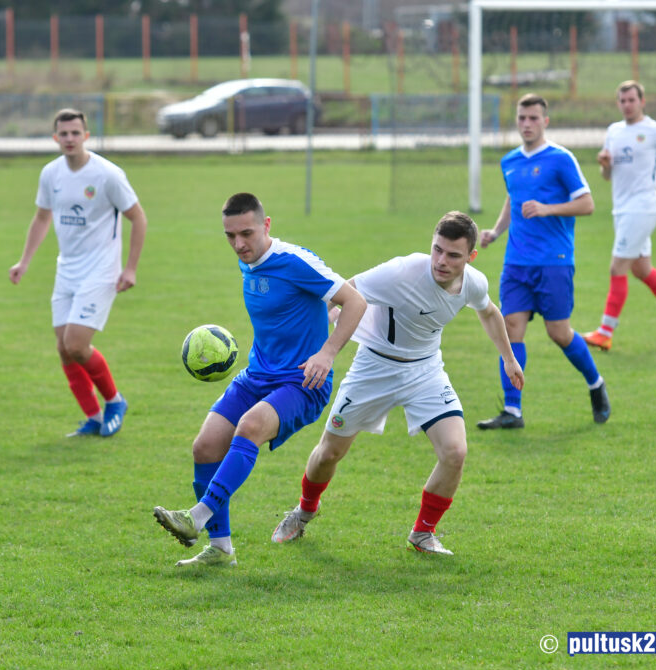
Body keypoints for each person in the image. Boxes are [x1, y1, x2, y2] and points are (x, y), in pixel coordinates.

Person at [271, 211, 524, 555]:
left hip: (426, 371)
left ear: (471, 257)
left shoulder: (473, 283)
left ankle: (423, 533)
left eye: (453, 255)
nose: (441, 261)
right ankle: (304, 510)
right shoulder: (402, 271)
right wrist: (322, 342)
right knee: (330, 452)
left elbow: (490, 312)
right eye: (437, 250)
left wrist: (509, 358)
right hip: (373, 367)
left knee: (455, 452)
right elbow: (344, 293)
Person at [152, 192, 367, 567]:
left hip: (302, 382)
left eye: (246, 233)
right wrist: (321, 314)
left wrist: (327, 352)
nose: (239, 244)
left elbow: (355, 301)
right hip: (257, 375)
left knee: (250, 426)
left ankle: (196, 518)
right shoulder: (247, 261)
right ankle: (221, 549)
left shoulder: (294, 261)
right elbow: (302, 303)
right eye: (230, 236)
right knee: (205, 447)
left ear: (266, 225)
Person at [9, 109, 147, 438]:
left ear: (86, 136)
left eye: (75, 133)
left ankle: (115, 401)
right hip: (67, 269)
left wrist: (130, 268)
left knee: (76, 343)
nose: (69, 139)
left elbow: (138, 218)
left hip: (101, 270)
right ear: (55, 138)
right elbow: (42, 218)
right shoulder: (51, 174)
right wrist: (24, 261)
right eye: (64, 134)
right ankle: (94, 418)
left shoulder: (108, 175)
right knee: (63, 348)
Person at [476, 93, 610, 430]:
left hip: (554, 261)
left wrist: (548, 209)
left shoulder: (561, 159)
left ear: (545, 122)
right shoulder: (509, 161)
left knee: (559, 333)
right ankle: (512, 410)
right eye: (522, 118)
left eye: (533, 118)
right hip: (516, 262)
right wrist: (496, 231)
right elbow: (513, 199)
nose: (527, 124)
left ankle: (596, 384)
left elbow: (587, 204)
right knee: (510, 329)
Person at [582, 80, 656, 351]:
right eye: (622, 101)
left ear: (642, 101)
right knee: (641, 269)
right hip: (621, 209)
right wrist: (605, 165)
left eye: (631, 100)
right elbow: (607, 176)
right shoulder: (614, 131)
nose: (627, 105)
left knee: (617, 268)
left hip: (643, 207)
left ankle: (605, 332)